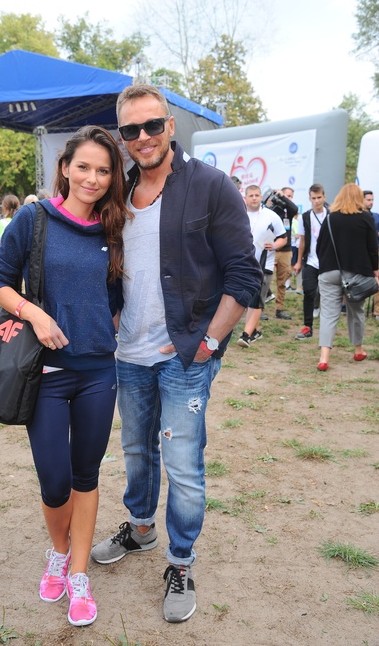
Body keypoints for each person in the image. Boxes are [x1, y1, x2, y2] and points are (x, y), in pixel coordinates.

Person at [90, 84, 262, 623]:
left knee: (183, 465)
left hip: (185, 356)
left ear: (170, 126)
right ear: (122, 137)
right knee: (136, 451)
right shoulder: (118, 193)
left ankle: (181, 560)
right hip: (128, 354)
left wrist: (209, 342)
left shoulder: (210, 186)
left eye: (152, 125)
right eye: (130, 129)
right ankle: (141, 528)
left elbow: (245, 274)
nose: (142, 137)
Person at [0, 126, 130, 627]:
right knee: (54, 481)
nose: (92, 178)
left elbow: (114, 300)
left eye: (103, 170)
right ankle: (59, 552)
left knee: (86, 476)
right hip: (45, 372)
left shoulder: (113, 231)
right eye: (83, 166)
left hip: (97, 372)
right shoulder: (34, 219)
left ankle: (80, 573)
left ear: (112, 178)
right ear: (65, 168)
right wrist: (34, 313)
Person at [316, 183, 379, 371]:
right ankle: (358, 350)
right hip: (356, 273)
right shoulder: (365, 218)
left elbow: (319, 246)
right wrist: (376, 270)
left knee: (328, 314)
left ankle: (324, 357)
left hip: (329, 271)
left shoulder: (330, 218)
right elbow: (372, 248)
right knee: (356, 312)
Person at [238, 185, 287, 347]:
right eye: (251, 195)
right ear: (245, 198)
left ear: (261, 197)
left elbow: (283, 238)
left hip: (264, 265)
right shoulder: (239, 214)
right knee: (247, 299)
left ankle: (246, 335)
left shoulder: (271, 216)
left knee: (257, 300)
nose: (254, 198)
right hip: (243, 264)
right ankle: (256, 329)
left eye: (257, 195)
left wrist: (274, 245)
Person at [294, 184, 328, 340]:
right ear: (309, 199)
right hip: (311, 260)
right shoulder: (305, 217)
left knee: (328, 295)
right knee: (308, 292)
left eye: (319, 197)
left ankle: (327, 329)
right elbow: (302, 240)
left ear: (324, 197)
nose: (317, 201)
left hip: (328, 261)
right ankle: (308, 326)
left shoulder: (330, 215)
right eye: (314, 198)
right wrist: (299, 262)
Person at [264, 187, 298, 319]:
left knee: (282, 281)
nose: (289, 199)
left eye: (290, 196)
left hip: (285, 250)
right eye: (287, 195)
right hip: (270, 248)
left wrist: (283, 197)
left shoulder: (288, 211)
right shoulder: (271, 210)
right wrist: (274, 198)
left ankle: (280, 309)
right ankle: (259, 308)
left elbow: (294, 208)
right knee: (264, 280)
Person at [363, 189, 379, 319]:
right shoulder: (356, 216)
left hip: (375, 251)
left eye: (372, 200)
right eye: (368, 200)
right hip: (360, 252)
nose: (371, 202)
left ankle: (377, 310)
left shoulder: (376, 217)